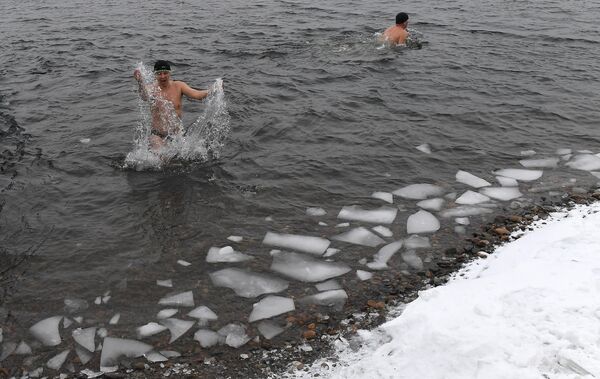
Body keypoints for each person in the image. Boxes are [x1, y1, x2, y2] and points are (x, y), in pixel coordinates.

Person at [133, 60, 213, 149]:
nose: (162, 76)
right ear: (155, 75)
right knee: (161, 156)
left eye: (165, 73)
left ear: (170, 73)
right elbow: (144, 96)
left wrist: (213, 90)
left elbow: (197, 95)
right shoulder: (151, 88)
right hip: (157, 135)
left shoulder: (179, 86)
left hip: (177, 136)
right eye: (159, 73)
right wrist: (140, 82)